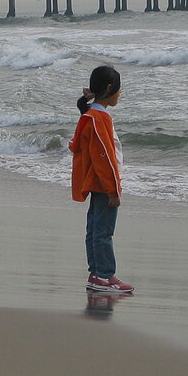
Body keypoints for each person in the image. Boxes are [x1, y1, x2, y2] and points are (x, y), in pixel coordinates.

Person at [69, 65, 134, 293]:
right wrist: (113, 190)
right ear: (109, 88)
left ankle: (98, 273)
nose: (120, 93)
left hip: (95, 182)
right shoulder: (98, 118)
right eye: (118, 89)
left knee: (95, 229)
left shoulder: (90, 116)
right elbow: (104, 157)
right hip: (103, 184)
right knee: (103, 231)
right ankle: (104, 275)